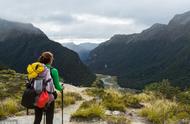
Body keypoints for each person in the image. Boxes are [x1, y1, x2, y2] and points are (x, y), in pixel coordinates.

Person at [34, 51, 63, 124]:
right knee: (49, 119)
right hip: (48, 97)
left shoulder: (36, 69)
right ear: (50, 60)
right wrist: (62, 88)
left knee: (37, 118)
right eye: (52, 59)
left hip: (37, 95)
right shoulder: (53, 70)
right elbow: (57, 87)